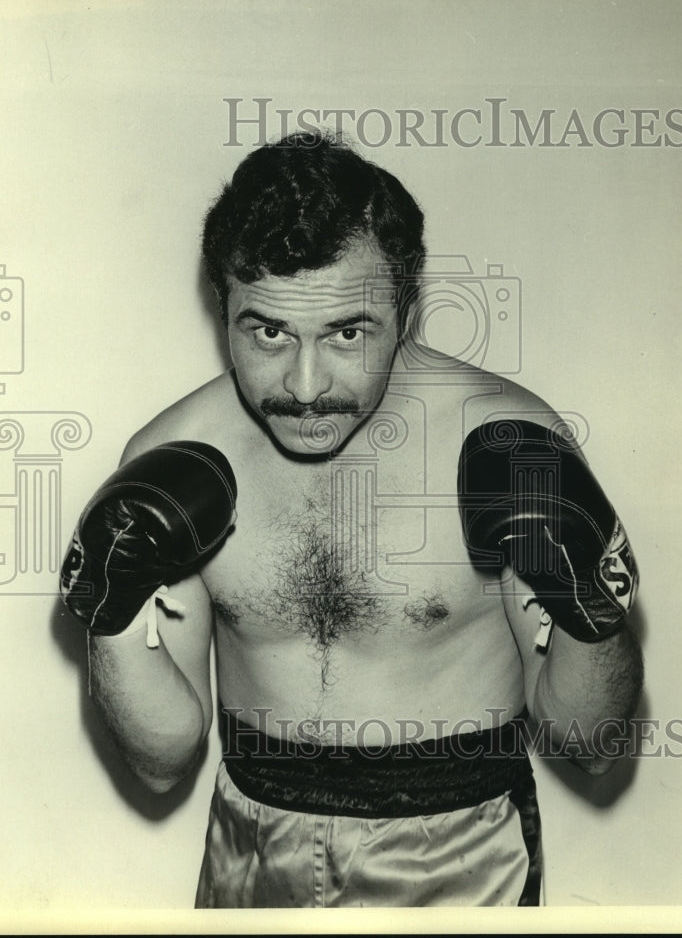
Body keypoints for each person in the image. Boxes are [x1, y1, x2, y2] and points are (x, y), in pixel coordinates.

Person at [60, 131, 643, 908]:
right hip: (249, 845)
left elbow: (589, 746)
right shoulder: (175, 455)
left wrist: (593, 611)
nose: (304, 385)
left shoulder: (503, 443)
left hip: (464, 854)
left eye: (346, 333)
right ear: (221, 305)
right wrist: (108, 614)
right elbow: (162, 762)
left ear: (403, 311)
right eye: (268, 331)